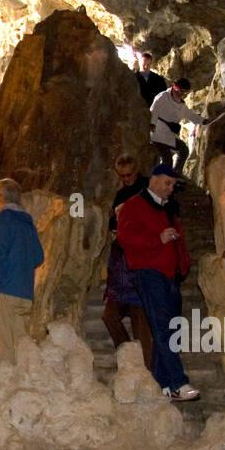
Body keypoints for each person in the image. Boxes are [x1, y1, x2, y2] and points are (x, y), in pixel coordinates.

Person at [115, 163, 199, 401]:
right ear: (153, 180)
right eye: (167, 183)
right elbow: (125, 236)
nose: (171, 189)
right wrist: (156, 238)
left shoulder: (168, 209)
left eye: (173, 185)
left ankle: (163, 385)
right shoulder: (134, 205)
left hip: (170, 274)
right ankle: (178, 382)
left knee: (172, 328)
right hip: (149, 272)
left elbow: (177, 240)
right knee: (163, 327)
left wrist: (183, 263)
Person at [0, 178, 45, 363]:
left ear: (1, 197)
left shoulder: (2, 219)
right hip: (25, 293)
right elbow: (38, 257)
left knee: (5, 343)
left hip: (6, 289)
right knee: (22, 342)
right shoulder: (28, 222)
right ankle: (25, 379)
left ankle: (7, 383)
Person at [103, 155, 152, 368]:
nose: (126, 179)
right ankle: (128, 355)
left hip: (141, 278)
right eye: (122, 176)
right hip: (122, 279)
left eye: (129, 175)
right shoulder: (121, 194)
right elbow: (112, 223)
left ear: (136, 171)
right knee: (109, 316)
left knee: (142, 328)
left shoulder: (148, 189)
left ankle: (148, 370)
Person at [149, 78, 209, 175]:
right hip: (157, 133)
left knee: (183, 150)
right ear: (174, 87)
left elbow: (190, 115)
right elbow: (154, 110)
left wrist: (204, 121)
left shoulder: (181, 104)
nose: (181, 94)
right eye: (180, 91)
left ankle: (176, 175)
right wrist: (152, 124)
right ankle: (161, 180)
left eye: (184, 92)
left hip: (169, 134)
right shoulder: (163, 96)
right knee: (167, 159)